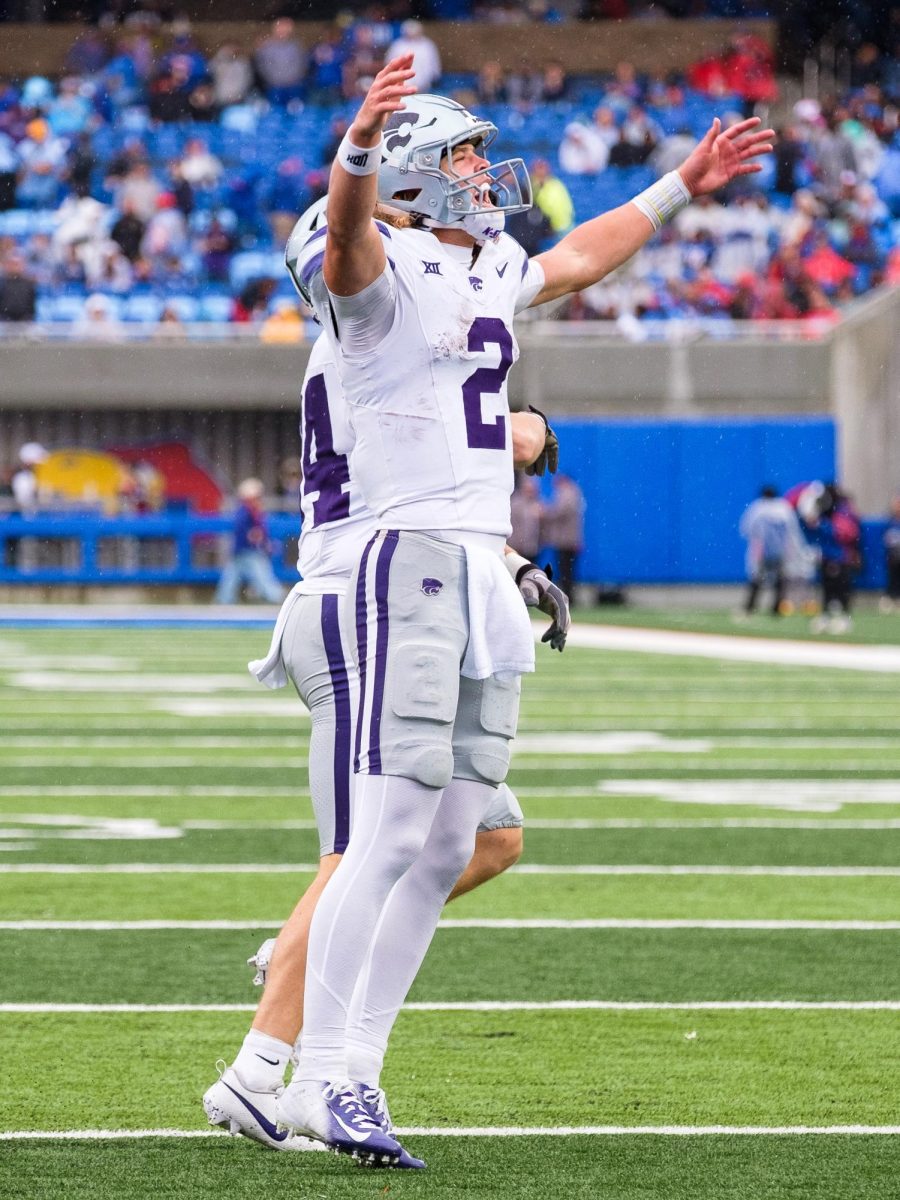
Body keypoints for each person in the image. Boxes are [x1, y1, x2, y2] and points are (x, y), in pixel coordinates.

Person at [275, 59, 772, 1167]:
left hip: (475, 562)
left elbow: (578, 255)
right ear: (408, 176)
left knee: (455, 834)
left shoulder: (489, 257)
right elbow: (349, 242)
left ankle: (356, 1068)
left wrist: (682, 183)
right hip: (400, 556)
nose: (483, 170)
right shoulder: (377, 261)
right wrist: (357, 148)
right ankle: (311, 1075)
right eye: (458, 154)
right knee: (388, 828)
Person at [203, 199, 552, 1163]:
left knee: (478, 835)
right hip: (365, 593)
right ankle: (269, 1067)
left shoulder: (392, 339)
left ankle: (296, 992)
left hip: (403, 585)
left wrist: (508, 562)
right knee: (369, 841)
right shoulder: (372, 332)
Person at [738, 484, 809, 617]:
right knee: (780, 581)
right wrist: (791, 551)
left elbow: (747, 530)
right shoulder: (784, 508)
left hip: (763, 551)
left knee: (757, 580)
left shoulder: (757, 508)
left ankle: (749, 608)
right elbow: (792, 533)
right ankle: (776, 609)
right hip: (780, 551)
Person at [214, 477, 285, 605]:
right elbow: (246, 531)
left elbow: (258, 530)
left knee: (233, 575)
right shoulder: (245, 510)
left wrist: (262, 540)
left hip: (244, 549)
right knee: (260, 573)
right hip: (247, 549)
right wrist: (256, 538)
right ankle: (275, 596)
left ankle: (225, 599)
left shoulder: (250, 510)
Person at [540, 473, 585, 600]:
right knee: (567, 570)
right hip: (569, 540)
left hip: (565, 540)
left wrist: (545, 511)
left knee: (565, 571)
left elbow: (559, 512)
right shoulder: (573, 493)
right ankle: (568, 596)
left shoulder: (567, 493)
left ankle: (568, 597)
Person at [881, 495, 900, 613]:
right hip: (893, 556)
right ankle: (889, 599)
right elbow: (887, 539)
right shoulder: (891, 522)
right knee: (892, 578)